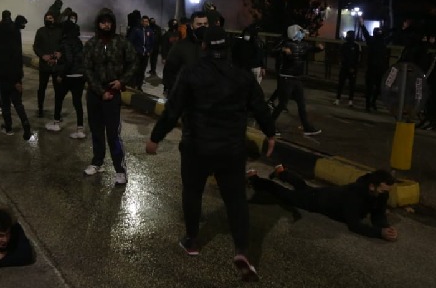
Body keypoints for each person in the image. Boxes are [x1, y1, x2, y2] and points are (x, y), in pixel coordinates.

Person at [145, 26, 277, 283]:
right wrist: (270, 134)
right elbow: (260, 107)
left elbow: (173, 110)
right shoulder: (242, 75)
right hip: (231, 149)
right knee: (236, 200)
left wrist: (155, 137)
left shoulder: (191, 73)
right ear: (226, 48)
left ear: (204, 47)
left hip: (198, 148)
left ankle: (192, 240)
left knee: (192, 193)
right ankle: (241, 250)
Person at [247, 167, 398, 241]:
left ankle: (281, 172)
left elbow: (379, 213)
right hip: (318, 202)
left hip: (324, 194)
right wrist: (379, 233)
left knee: (303, 188)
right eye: (383, 190)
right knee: (286, 195)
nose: (385, 194)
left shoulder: (380, 192)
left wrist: (384, 227)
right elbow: (354, 224)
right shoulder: (355, 195)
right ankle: (255, 179)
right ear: (372, 186)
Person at [82, 8, 136, 185]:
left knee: (113, 133)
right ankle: (97, 162)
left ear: (112, 23)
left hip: (113, 92)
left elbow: (133, 63)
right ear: (98, 23)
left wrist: (121, 82)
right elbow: (87, 69)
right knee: (96, 130)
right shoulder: (91, 44)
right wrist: (99, 91)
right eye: (102, 22)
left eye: (109, 22)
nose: (106, 25)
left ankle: (120, 170)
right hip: (95, 94)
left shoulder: (122, 43)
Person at [268, 24, 324, 136]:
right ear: (294, 33)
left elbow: (312, 49)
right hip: (286, 78)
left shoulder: (303, 45)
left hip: (297, 79)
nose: (302, 34)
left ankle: (307, 127)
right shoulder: (286, 43)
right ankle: (269, 125)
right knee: (282, 104)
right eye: (300, 32)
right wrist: (283, 50)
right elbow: (272, 51)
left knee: (301, 104)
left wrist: (319, 48)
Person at [0, 10, 32, 141]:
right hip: (15, 75)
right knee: (18, 103)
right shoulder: (15, 40)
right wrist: (18, 79)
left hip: (2, 75)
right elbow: (19, 60)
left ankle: (8, 127)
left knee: (5, 103)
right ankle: (25, 123)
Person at [46, 20, 86, 139]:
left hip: (69, 76)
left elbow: (69, 60)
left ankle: (56, 123)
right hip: (80, 76)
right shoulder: (78, 42)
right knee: (77, 102)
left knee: (59, 98)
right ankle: (80, 130)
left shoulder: (65, 42)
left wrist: (61, 74)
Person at [162, 11, 208, 96]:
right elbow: (169, 74)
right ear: (191, 25)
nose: (203, 27)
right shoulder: (180, 47)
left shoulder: (212, 46)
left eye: (205, 24)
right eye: (199, 24)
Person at [33, 10, 63, 118]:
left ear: (54, 19)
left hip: (56, 65)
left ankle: (57, 112)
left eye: (50, 18)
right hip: (44, 65)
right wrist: (43, 56)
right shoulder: (41, 31)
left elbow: (63, 46)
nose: (48, 20)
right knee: (42, 88)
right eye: (47, 18)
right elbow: (36, 46)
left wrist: (59, 55)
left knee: (58, 90)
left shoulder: (60, 31)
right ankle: (40, 109)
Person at [359, 17, 389, 112]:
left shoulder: (377, 42)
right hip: (376, 68)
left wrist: (362, 25)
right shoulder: (380, 42)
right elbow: (366, 34)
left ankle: (370, 104)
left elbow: (366, 34)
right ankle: (370, 104)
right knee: (373, 88)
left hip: (376, 68)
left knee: (373, 88)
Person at [333, 30, 362, 107]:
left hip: (352, 68)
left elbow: (357, 58)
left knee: (351, 85)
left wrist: (354, 67)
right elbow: (341, 55)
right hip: (344, 67)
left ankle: (350, 101)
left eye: (348, 35)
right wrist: (341, 63)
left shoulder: (356, 46)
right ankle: (338, 99)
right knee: (341, 84)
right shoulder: (344, 45)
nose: (347, 36)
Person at [128, 15, 155, 89]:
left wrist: (149, 51)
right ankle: (133, 85)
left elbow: (152, 42)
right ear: (141, 22)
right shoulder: (136, 30)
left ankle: (139, 86)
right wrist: (134, 51)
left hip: (145, 54)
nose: (145, 23)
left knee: (142, 71)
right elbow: (131, 41)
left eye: (146, 21)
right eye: (143, 21)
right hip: (137, 54)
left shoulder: (150, 31)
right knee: (135, 70)